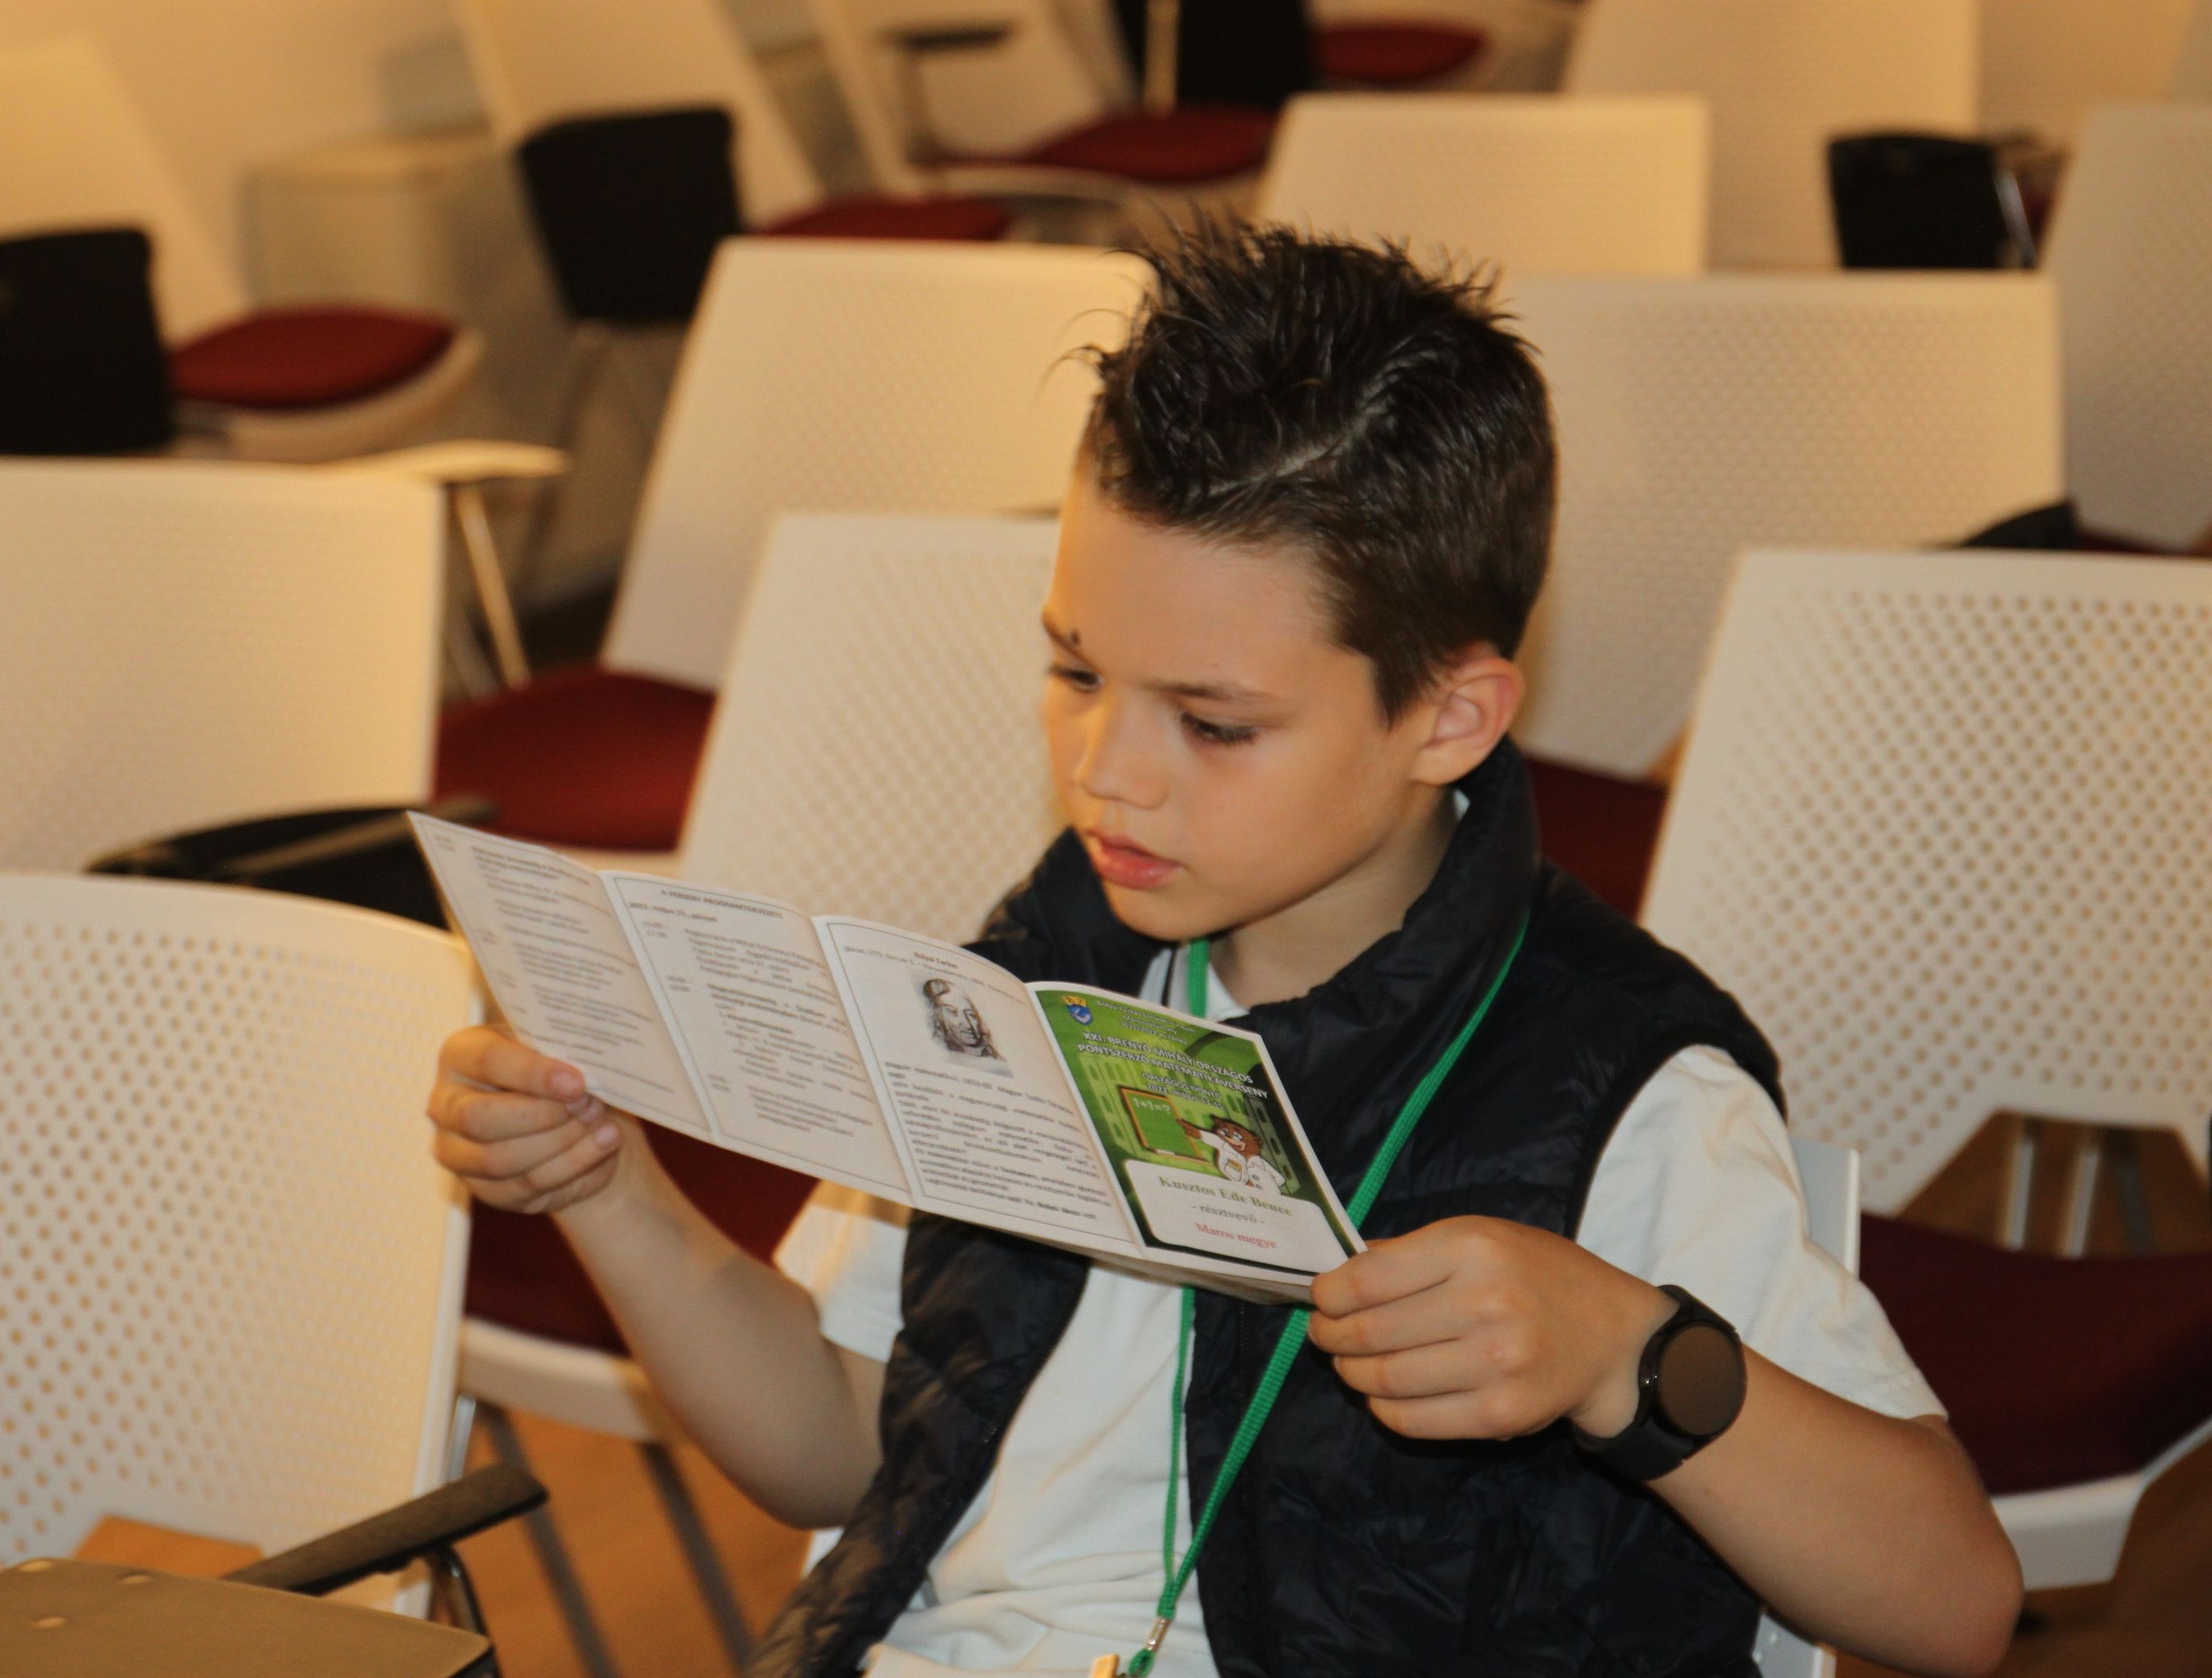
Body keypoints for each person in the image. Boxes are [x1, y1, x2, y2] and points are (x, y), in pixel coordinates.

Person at [424, 226, 2021, 1677]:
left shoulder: (1615, 1084)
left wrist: (1630, 1353)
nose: (1105, 771)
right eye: (1075, 671)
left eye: (1214, 721)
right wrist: (605, 1190)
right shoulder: (1035, 971)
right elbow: (844, 1450)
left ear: (1448, 717)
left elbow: (1954, 1606)